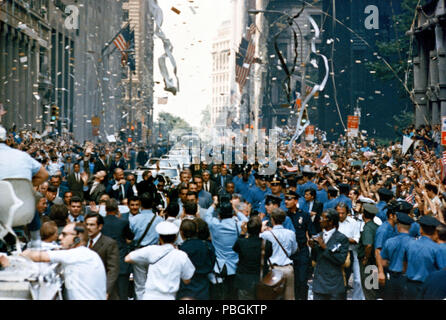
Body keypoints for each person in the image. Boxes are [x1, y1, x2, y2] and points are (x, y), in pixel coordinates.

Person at [20, 222, 107, 300]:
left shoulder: (78, 254)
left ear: (77, 239)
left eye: (64, 235)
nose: (60, 237)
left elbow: (35, 256)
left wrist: (25, 252)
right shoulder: (86, 254)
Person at [125, 221, 196, 300]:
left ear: (159, 237)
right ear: (176, 237)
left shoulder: (151, 250)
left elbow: (128, 258)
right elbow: (187, 279)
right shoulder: (181, 255)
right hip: (169, 296)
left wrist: (146, 261)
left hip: (149, 296)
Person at [202, 200, 247, 300]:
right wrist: (236, 209)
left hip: (219, 265)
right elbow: (246, 220)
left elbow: (207, 216)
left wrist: (214, 203)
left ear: (219, 214)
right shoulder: (238, 225)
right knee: (233, 294)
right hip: (234, 264)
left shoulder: (215, 225)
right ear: (232, 214)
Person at [128, 192, 163, 300]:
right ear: (152, 204)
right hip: (154, 253)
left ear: (140, 204)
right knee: (154, 283)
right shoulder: (159, 220)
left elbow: (130, 237)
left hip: (139, 252)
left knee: (140, 284)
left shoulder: (133, 220)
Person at [403, 215, 446, 299]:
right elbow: (441, 271)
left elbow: (404, 264)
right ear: (435, 231)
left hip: (410, 285)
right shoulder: (437, 248)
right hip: (428, 286)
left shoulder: (409, 244)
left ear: (421, 230)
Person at [310, 209, 350, 300]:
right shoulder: (318, 236)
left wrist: (325, 248)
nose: (320, 220)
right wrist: (313, 248)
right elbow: (314, 259)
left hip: (334, 284)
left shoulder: (341, 238)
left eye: (323, 218)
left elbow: (340, 260)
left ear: (331, 221)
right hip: (319, 283)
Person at [259, 208, 297, 300]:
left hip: (273, 269)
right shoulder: (291, 233)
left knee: (271, 296)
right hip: (288, 268)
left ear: (272, 219)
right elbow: (294, 250)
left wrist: (261, 229)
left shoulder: (266, 234)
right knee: (290, 297)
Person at [101, 199, 135, 300]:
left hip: (105, 263)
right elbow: (130, 237)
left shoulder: (101, 222)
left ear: (106, 209)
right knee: (122, 293)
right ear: (117, 209)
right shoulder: (123, 222)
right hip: (120, 262)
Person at [233, 216, 273, 300]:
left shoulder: (241, 242)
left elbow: (235, 248)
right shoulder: (267, 244)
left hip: (244, 281)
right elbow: (269, 255)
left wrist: (242, 233)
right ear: (260, 229)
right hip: (261, 280)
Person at [284, 190, 314, 300]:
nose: (286, 201)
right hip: (287, 252)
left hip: (301, 251)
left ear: (296, 201)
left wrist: (312, 241)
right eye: (286, 199)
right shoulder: (283, 216)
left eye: (289, 199)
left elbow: (312, 232)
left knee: (302, 280)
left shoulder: (304, 215)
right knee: (289, 282)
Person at [177, 219, 215, 300]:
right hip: (204, 286)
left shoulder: (182, 249)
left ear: (181, 233)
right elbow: (212, 263)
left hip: (186, 287)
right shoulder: (208, 246)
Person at [85, 212, 120, 300]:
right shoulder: (82, 242)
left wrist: (106, 291)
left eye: (92, 225)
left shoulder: (109, 243)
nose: (88, 227)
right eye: (86, 224)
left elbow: (113, 269)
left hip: (101, 289)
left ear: (100, 226)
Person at [380, 212, 414, 300]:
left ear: (398, 226)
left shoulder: (389, 241)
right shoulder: (414, 243)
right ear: (410, 227)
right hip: (408, 279)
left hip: (392, 278)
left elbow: (383, 262)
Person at [336, 202, 363, 300]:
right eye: (338, 213)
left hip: (349, 253)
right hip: (335, 254)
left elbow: (356, 239)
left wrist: (343, 239)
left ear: (347, 213)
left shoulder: (353, 223)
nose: (340, 215)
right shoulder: (333, 222)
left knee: (354, 280)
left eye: (342, 213)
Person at [357, 203, 380, 300]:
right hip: (374, 261)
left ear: (363, 215)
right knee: (372, 287)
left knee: (369, 289)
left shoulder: (367, 228)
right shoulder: (375, 226)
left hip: (368, 262)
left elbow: (368, 245)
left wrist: (365, 258)